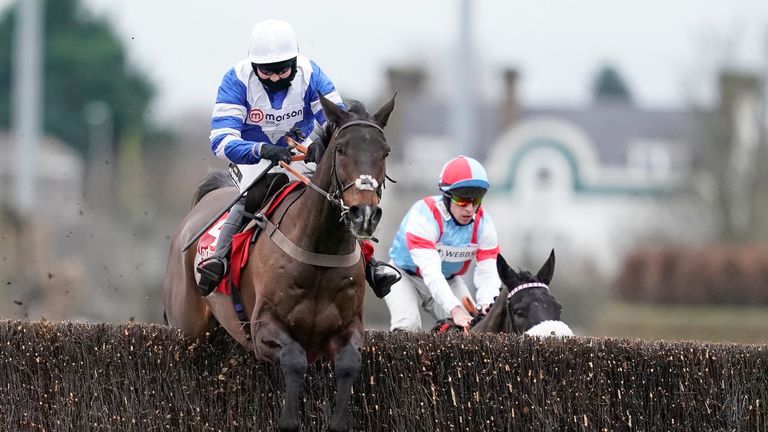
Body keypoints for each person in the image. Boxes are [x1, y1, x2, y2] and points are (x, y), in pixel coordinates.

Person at [196, 19, 398, 297]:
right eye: (267, 71)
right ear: (254, 66)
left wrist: (317, 147)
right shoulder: (236, 80)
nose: (276, 77)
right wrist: (262, 150)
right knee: (252, 196)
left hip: (298, 150)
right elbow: (221, 141)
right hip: (251, 156)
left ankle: (369, 262)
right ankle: (218, 259)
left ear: (295, 60)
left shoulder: (312, 74)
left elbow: (338, 123)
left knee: (334, 193)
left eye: (282, 70)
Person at [384, 156, 502, 331]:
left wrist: (487, 303)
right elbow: (431, 273)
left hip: (448, 280)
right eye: (462, 201)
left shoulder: (484, 224)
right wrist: (454, 309)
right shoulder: (424, 216)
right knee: (408, 325)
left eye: (475, 201)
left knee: (471, 327)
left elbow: (488, 273)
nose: (469, 209)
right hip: (403, 276)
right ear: (446, 197)